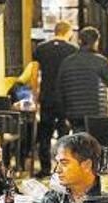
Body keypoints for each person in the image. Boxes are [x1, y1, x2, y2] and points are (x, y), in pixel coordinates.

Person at [57, 27, 108, 132]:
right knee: (95, 144)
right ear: (96, 42)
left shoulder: (66, 63)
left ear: (80, 41)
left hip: (74, 115)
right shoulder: (100, 61)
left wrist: (63, 115)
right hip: (96, 114)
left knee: (79, 141)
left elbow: (60, 91)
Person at [32, 20, 78, 177]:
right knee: (64, 134)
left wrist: (35, 95)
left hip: (46, 97)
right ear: (68, 32)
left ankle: (45, 169)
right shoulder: (73, 49)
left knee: (45, 134)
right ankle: (64, 168)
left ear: (55, 32)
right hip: (65, 98)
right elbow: (73, 76)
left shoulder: (41, 49)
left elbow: (34, 73)